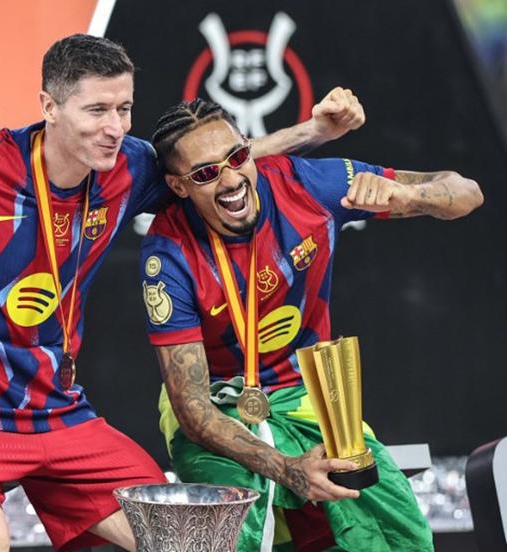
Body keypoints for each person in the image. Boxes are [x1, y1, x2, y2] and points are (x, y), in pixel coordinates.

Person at [0, 34, 368, 552]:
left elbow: (212, 165)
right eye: (97, 110)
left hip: (60, 413)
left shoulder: (127, 167)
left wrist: (311, 131)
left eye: (124, 109)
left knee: (181, 537)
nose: (115, 127)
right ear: (49, 106)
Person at [140, 98, 483, 551]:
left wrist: (407, 196)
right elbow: (193, 409)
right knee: (231, 529)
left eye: (237, 157)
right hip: (218, 407)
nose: (231, 180)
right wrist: (287, 469)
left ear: (250, 150)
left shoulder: (306, 186)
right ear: (178, 186)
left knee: (398, 531)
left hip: (310, 397)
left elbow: (466, 192)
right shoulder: (167, 252)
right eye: (205, 174)